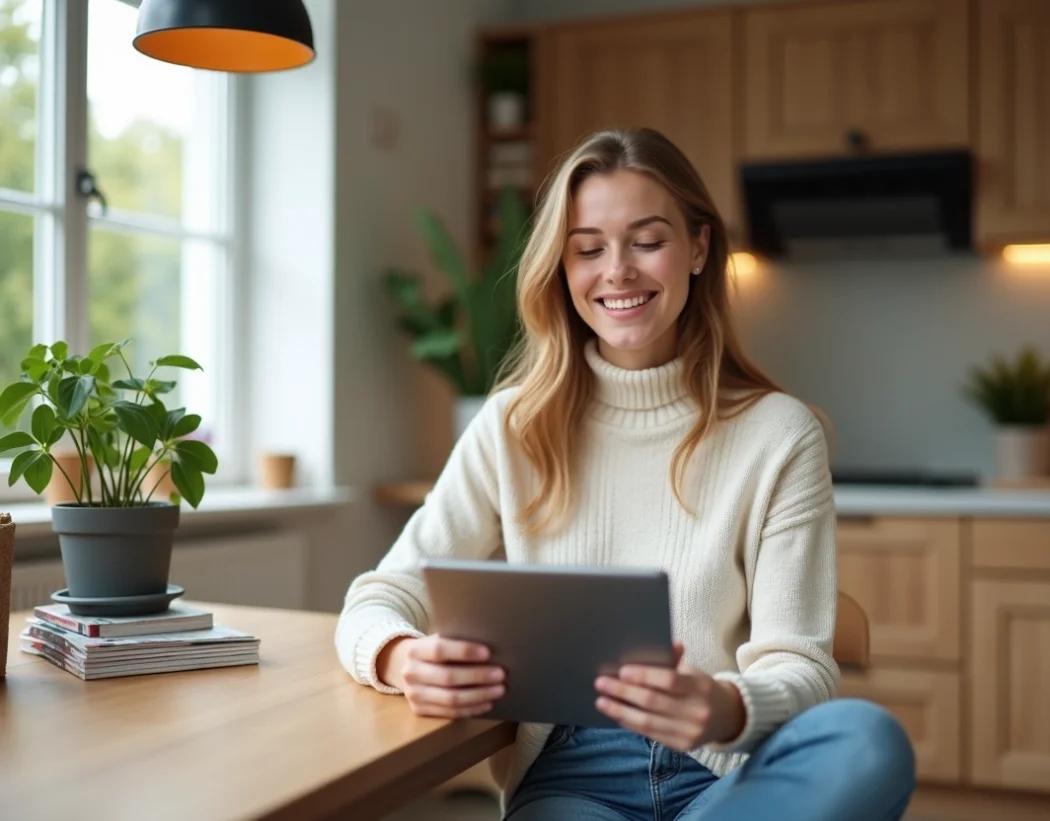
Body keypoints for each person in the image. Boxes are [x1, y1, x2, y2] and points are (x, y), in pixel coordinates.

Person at [335, 127, 916, 820]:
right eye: (588, 249)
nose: (617, 271)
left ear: (699, 247)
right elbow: (379, 594)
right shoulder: (513, 424)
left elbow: (803, 666)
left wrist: (722, 703)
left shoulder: (779, 433)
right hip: (572, 774)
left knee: (869, 738)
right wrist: (401, 657)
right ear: (563, 265)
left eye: (647, 241)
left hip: (724, 769)